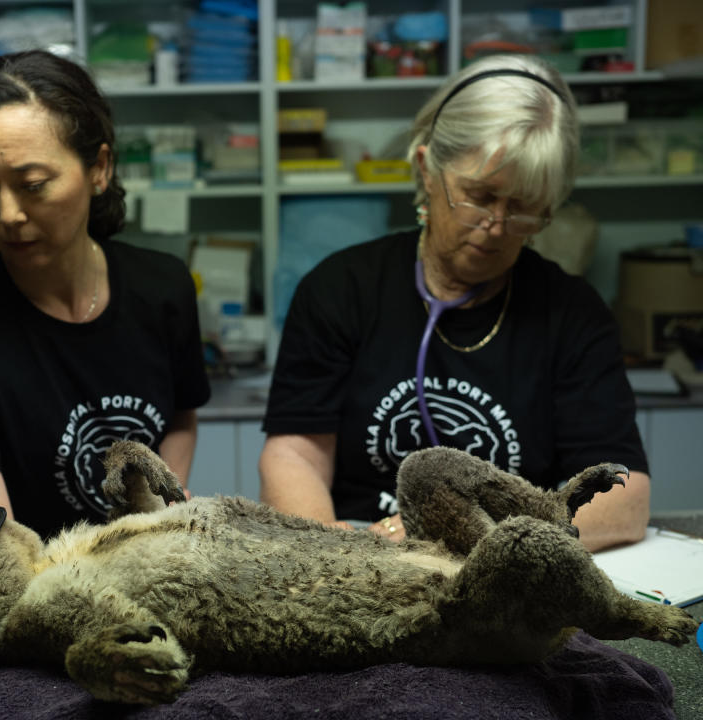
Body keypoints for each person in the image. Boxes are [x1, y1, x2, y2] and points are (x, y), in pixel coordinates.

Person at [258, 54, 649, 553]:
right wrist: (337, 557)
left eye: (525, 207)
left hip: (510, 567)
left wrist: (469, 534)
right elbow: (293, 455)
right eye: (480, 196)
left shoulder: (572, 313)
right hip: (367, 556)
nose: (498, 225)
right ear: (426, 169)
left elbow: (625, 495)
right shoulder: (341, 288)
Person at [0, 50, 210, 590]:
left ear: (99, 168)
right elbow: (4, 547)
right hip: (36, 587)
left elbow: (181, 416)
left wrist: (160, 508)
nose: (7, 215)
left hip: (154, 566)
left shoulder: (163, 287)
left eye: (32, 183)